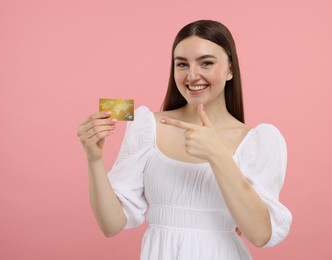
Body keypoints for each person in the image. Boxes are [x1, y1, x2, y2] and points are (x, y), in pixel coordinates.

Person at [77, 20, 292, 260]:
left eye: (206, 63)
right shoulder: (146, 125)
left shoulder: (259, 141)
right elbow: (111, 224)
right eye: (182, 64)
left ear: (230, 69)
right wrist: (94, 159)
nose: (191, 76)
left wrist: (216, 155)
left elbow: (260, 234)